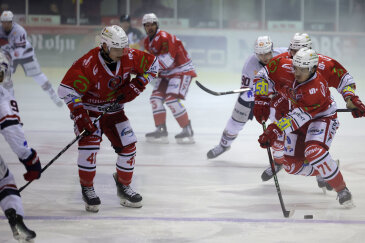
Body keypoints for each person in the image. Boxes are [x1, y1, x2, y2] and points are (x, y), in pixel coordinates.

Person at [57, 25, 159, 212]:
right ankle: (87, 188)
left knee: (128, 146)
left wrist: (137, 84)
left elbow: (153, 65)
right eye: (117, 49)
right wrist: (80, 116)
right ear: (104, 46)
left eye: (124, 47)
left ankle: (123, 186)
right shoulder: (88, 64)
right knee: (90, 145)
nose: (122, 52)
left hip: (114, 110)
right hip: (90, 110)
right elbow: (66, 89)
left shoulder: (129, 56)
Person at [254, 47, 365, 207]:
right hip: (298, 115)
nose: (297, 73)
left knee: (313, 151)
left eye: (302, 69)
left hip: (322, 117)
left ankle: (342, 190)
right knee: (291, 166)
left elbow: (297, 118)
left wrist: (275, 130)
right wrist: (261, 99)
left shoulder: (315, 89)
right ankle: (326, 167)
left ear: (313, 68)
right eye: (295, 67)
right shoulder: (283, 65)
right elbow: (262, 76)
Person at [207, 36, 287, 159]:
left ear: (272, 49)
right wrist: (260, 93)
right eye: (260, 54)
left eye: (267, 53)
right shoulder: (250, 65)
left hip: (277, 97)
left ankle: (280, 156)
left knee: (279, 125)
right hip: (253, 98)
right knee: (234, 124)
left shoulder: (283, 54)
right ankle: (223, 145)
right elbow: (245, 93)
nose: (264, 57)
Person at [0, 51, 41, 241]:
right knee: (4, 180)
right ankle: (14, 214)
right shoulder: (2, 97)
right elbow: (13, 134)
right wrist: (30, 160)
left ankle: (13, 213)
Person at [142, 13, 197, 144]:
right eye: (147, 25)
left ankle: (187, 129)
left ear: (157, 25)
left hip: (181, 70)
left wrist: (145, 72)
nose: (150, 27)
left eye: (152, 24)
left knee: (172, 100)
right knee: (155, 99)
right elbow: (154, 63)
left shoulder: (165, 37)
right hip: (166, 73)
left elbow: (167, 61)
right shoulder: (146, 42)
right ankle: (160, 129)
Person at [0, 10, 63, 107]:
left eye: (7, 22)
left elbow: (19, 51)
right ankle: (11, 103)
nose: (5, 24)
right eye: (3, 22)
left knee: (38, 76)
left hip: (25, 54)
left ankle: (54, 96)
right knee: (6, 78)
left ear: (12, 21)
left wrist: (7, 55)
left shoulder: (19, 31)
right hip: (9, 54)